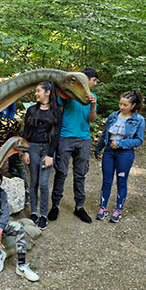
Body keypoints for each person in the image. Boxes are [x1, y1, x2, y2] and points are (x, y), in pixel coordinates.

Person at [48, 67, 98, 223]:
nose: (95, 84)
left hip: (84, 139)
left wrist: (92, 106)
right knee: (61, 172)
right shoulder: (67, 94)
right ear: (86, 79)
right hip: (65, 138)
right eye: (94, 80)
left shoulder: (93, 97)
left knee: (80, 174)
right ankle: (55, 205)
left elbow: (92, 120)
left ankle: (79, 207)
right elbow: (58, 115)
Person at [0, 166, 39, 281]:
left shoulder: (2, 193)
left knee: (19, 228)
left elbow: (5, 213)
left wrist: (0, 230)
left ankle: (21, 265)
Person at [94, 90, 145, 223]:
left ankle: (118, 210)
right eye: (120, 103)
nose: (121, 107)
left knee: (121, 181)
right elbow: (105, 135)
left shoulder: (138, 120)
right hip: (109, 152)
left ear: (133, 105)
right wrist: (98, 149)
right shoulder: (112, 116)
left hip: (125, 154)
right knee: (106, 181)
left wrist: (121, 143)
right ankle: (103, 207)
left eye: (125, 105)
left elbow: (139, 140)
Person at [22, 81, 62, 230]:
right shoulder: (31, 110)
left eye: (38, 91)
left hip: (47, 149)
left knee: (44, 183)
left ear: (48, 93)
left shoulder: (56, 111)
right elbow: (26, 132)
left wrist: (50, 154)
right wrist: (25, 150)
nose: (36, 94)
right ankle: (34, 212)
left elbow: (57, 134)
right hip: (32, 147)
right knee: (34, 182)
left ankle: (43, 215)